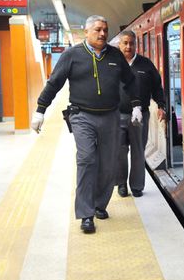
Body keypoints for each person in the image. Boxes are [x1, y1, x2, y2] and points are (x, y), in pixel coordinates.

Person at [30, 15, 144, 234]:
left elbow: (130, 82)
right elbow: (54, 83)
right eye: (98, 30)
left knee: (108, 164)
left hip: (110, 116)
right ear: (86, 32)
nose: (103, 34)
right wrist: (40, 110)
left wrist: (137, 105)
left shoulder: (115, 56)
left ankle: (100, 204)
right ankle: (86, 214)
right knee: (87, 160)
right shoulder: (72, 55)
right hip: (82, 116)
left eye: (105, 30)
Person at [115, 29, 166, 198]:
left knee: (138, 151)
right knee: (120, 152)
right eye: (125, 43)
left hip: (141, 115)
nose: (128, 46)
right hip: (117, 115)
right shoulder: (113, 63)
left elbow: (157, 86)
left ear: (136, 44)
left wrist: (161, 105)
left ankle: (137, 186)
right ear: (119, 44)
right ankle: (121, 183)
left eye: (131, 43)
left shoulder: (146, 64)